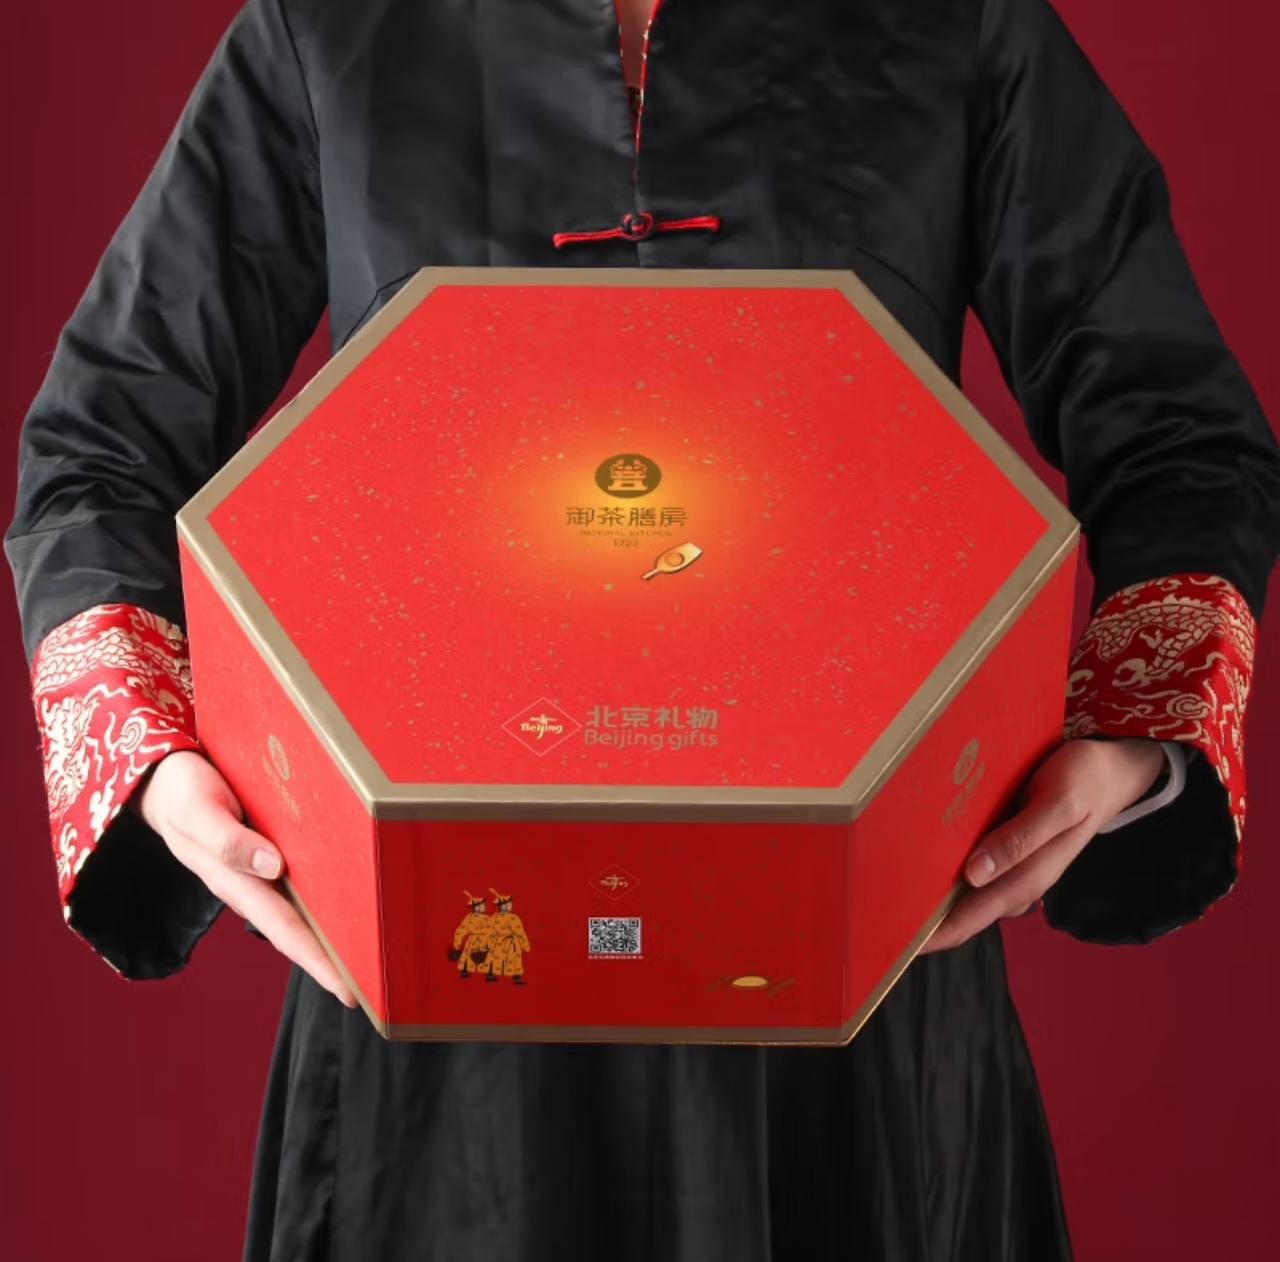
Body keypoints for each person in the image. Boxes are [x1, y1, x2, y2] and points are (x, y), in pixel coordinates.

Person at [6, 1, 1278, 1258]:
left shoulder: (961, 25)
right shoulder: (330, 31)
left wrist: (1134, 725)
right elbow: (95, 453)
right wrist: (153, 755)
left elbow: (1182, 438)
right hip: (444, 993)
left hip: (856, 988)